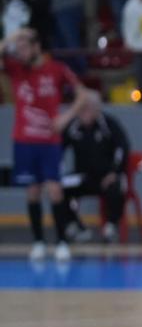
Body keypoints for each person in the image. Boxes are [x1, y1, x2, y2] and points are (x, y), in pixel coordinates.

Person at [3, 27, 86, 262]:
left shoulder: (56, 70)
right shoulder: (16, 69)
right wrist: (13, 36)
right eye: (17, 48)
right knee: (32, 191)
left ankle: (61, 242)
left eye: (24, 46)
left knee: (55, 190)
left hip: (49, 141)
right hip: (24, 140)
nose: (19, 52)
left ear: (36, 46)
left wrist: (66, 117)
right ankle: (38, 242)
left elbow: (82, 94)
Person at [59, 91, 131, 243]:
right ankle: (75, 226)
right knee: (58, 187)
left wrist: (114, 172)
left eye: (87, 109)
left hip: (106, 176)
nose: (83, 113)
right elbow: (59, 149)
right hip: (82, 177)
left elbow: (122, 148)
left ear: (96, 109)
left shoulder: (109, 124)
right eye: (81, 109)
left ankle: (111, 226)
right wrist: (58, 172)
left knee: (116, 187)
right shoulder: (74, 127)